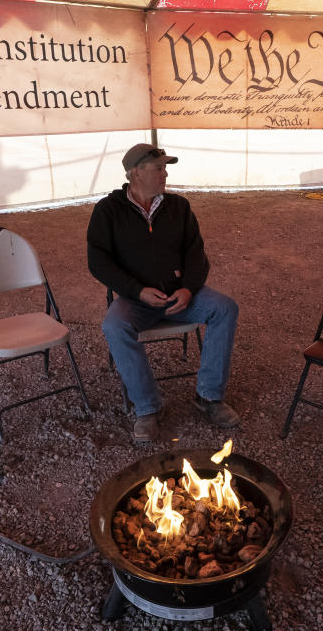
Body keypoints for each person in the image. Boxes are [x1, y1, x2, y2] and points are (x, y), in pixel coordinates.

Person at [87, 143, 240, 443]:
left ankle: (209, 396)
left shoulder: (179, 207)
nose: (165, 174)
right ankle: (147, 407)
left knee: (225, 308)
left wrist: (188, 289)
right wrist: (137, 290)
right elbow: (98, 261)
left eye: (165, 168)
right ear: (135, 173)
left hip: (180, 296)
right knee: (114, 325)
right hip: (136, 300)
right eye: (158, 168)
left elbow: (196, 255)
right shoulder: (108, 210)